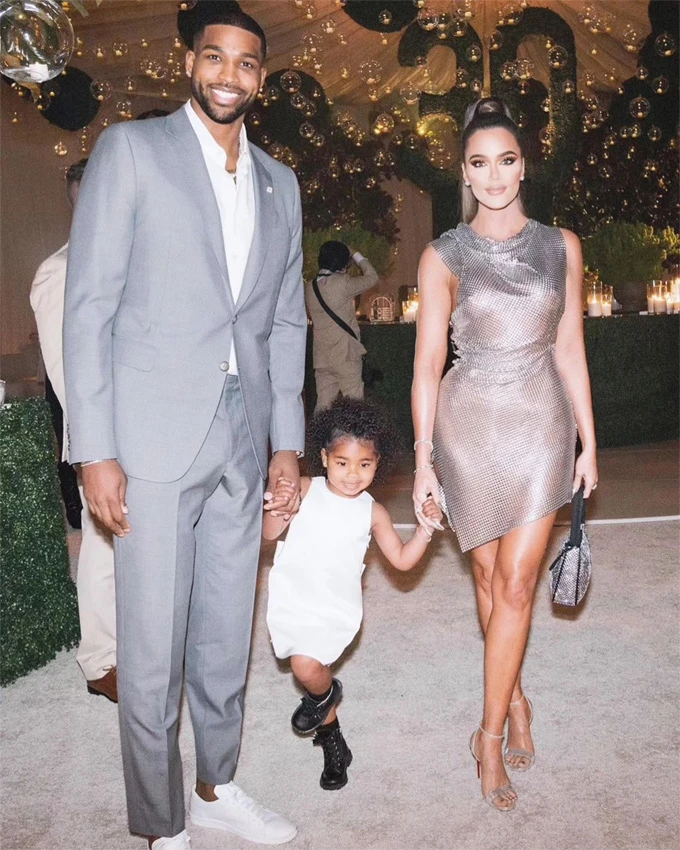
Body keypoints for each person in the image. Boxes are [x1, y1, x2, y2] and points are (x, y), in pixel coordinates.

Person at [63, 7, 306, 849]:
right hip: (153, 437)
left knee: (226, 630)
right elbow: (89, 307)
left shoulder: (280, 183)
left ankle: (215, 785)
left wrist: (286, 442)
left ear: (261, 77)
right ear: (190, 64)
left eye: (246, 63)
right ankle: (162, 822)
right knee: (153, 645)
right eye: (215, 57)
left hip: (245, 433)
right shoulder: (132, 151)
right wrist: (94, 449)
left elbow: (285, 320)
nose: (229, 75)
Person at [412, 98, 598, 812]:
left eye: (507, 160)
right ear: (464, 172)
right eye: (480, 163)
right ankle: (515, 698)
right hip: (467, 425)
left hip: (541, 423)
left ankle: (487, 737)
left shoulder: (561, 246)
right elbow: (427, 366)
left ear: (525, 167)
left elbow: (570, 348)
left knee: (517, 584)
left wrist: (588, 440)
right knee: (489, 579)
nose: (494, 175)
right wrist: (424, 460)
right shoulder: (443, 256)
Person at [263, 397, 443, 791]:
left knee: (305, 666)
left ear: (378, 464)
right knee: (311, 672)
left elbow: (402, 561)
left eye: (364, 465)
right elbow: (268, 533)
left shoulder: (373, 512)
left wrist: (424, 531)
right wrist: (279, 506)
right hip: (294, 597)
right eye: (342, 463)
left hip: (335, 606)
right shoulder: (305, 489)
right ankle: (334, 743)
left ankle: (325, 694)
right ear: (324, 458)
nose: (352, 475)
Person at [29, 158, 118, 702]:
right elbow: (67, 376)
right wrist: (98, 448)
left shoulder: (125, 258)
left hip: (151, 431)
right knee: (103, 549)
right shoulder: (59, 270)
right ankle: (101, 661)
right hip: (102, 436)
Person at [305, 241, 379, 412]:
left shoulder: (310, 287)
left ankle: (319, 431)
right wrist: (356, 254)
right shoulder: (342, 283)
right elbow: (372, 277)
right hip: (345, 354)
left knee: (323, 406)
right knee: (354, 404)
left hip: (322, 356)